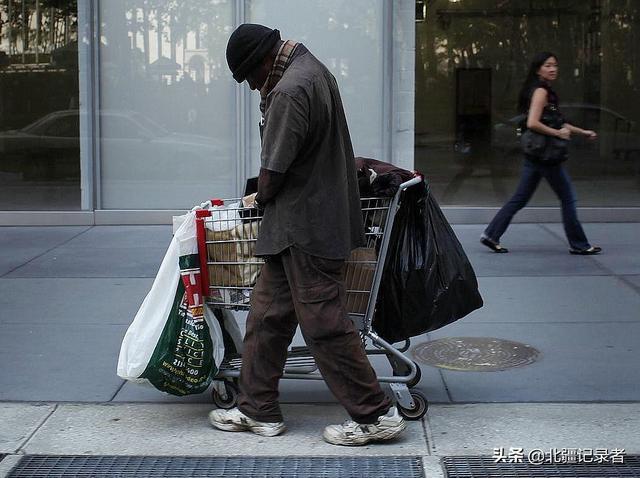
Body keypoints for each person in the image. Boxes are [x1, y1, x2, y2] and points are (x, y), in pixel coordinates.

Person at [208, 23, 406, 446]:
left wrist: (254, 198)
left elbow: (274, 171)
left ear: (263, 61)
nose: (251, 87)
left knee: (323, 323)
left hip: (307, 225)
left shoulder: (289, 90)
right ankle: (256, 408)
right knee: (267, 316)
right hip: (297, 224)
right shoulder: (312, 70)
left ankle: (375, 415)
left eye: (249, 77)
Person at [481, 52, 602, 255]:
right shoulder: (540, 92)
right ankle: (579, 244)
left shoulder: (547, 92)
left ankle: (491, 234)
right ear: (538, 69)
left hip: (538, 155)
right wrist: (558, 133)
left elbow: (556, 121)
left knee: (520, 198)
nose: (553, 69)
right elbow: (533, 123)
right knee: (568, 198)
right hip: (546, 155)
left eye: (555, 65)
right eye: (547, 65)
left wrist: (583, 132)